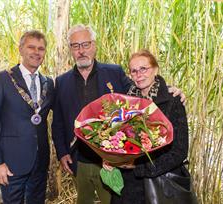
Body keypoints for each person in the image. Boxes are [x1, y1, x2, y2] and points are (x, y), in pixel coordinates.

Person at [52, 24, 186, 204]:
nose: (81, 50)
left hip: (117, 165)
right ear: (70, 49)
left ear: (94, 45)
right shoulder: (61, 81)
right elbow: (58, 120)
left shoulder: (114, 72)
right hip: (79, 159)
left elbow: (144, 89)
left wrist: (172, 90)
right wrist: (62, 152)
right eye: (75, 46)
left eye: (85, 44)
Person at [111, 49, 197, 204]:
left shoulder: (172, 101)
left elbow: (179, 151)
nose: (138, 74)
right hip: (128, 187)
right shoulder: (126, 102)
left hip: (160, 183)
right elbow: (119, 140)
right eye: (134, 71)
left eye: (143, 69)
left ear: (155, 69)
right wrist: (111, 158)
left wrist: (139, 167)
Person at [0, 30, 54, 204]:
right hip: (11, 164)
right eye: (31, 47)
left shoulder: (48, 83)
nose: (36, 52)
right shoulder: (2, 79)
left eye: (41, 49)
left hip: (40, 162)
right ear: (21, 49)